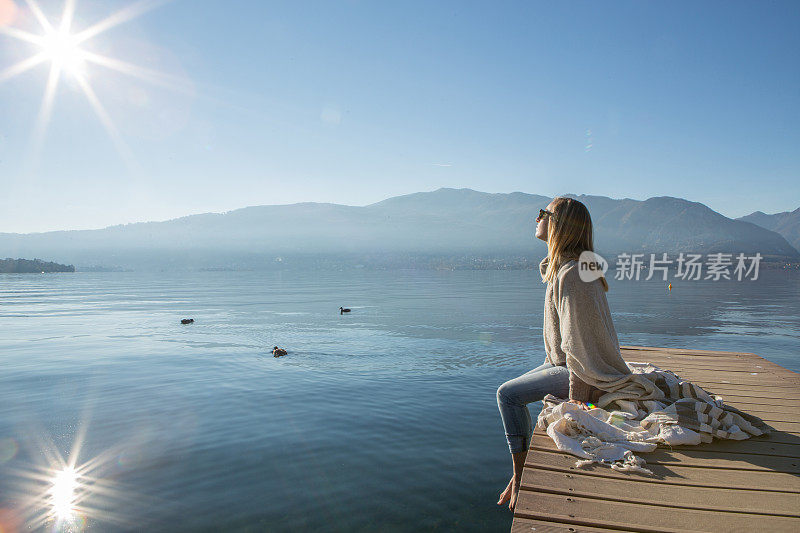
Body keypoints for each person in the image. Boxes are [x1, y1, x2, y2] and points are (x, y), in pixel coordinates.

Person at [495, 196, 642, 512]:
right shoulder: (571, 267)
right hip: (562, 363)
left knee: (507, 395)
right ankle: (522, 468)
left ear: (558, 224)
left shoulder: (571, 274)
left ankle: (519, 475)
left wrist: (578, 402)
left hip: (584, 372)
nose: (536, 219)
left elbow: (578, 344)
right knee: (515, 392)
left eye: (542, 214)